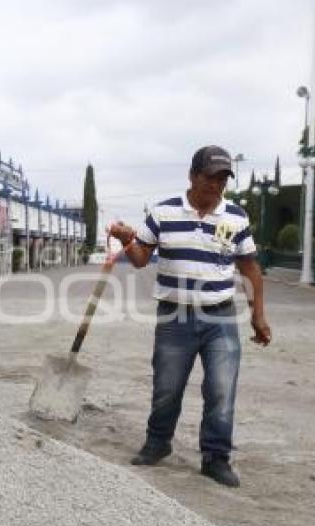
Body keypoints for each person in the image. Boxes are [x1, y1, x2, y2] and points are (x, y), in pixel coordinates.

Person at [109, 145, 272, 488]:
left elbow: (250, 268)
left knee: (221, 389)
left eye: (222, 178)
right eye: (210, 176)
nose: (216, 185)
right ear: (193, 175)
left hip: (221, 318)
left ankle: (215, 457)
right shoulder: (164, 213)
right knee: (167, 387)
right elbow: (140, 258)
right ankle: (158, 443)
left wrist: (258, 313)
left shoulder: (236, 217)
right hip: (174, 317)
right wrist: (127, 238)